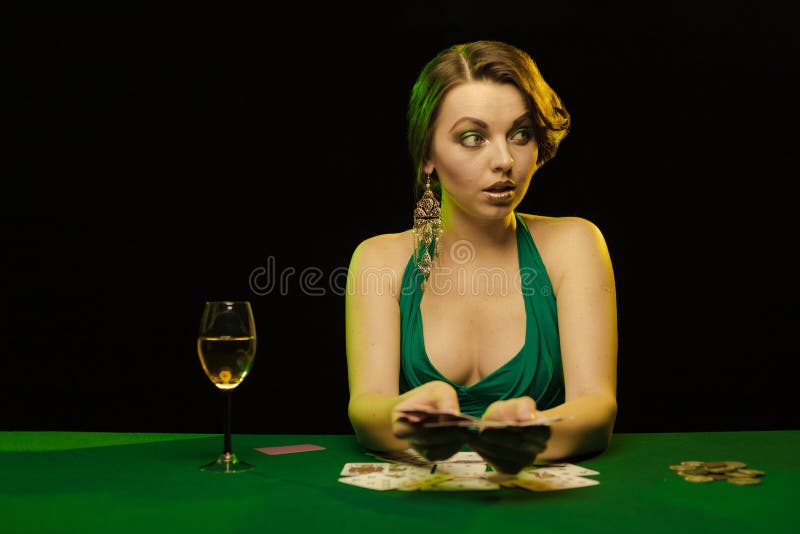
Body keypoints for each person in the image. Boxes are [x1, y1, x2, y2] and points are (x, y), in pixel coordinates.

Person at [345, 40, 617, 474]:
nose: (504, 159)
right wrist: (404, 418)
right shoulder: (378, 260)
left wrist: (536, 432)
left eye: (520, 134)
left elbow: (597, 408)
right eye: (472, 138)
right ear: (427, 156)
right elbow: (365, 408)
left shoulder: (576, 244)